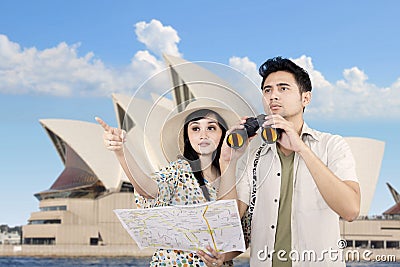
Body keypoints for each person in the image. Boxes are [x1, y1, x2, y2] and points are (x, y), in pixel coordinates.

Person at [236, 57, 361, 266]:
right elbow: (228, 220)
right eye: (267, 90)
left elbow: (350, 210)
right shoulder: (252, 155)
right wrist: (228, 159)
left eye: (283, 88)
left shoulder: (332, 145)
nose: (273, 96)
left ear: (306, 98)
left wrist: (302, 149)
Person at [96, 98, 247, 267]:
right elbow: (148, 190)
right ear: (187, 137)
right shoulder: (177, 172)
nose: (203, 135)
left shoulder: (237, 179)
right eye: (195, 128)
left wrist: (221, 257)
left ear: (223, 134)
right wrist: (121, 152)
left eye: (211, 128)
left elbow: (242, 237)